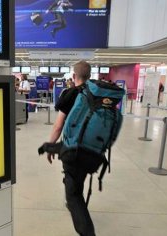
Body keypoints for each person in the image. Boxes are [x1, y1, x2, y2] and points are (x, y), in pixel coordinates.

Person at [46, 61, 103, 236]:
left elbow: (58, 126)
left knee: (74, 197)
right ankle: (72, 193)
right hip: (93, 150)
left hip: (73, 151)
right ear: (89, 76)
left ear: (73, 76)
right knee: (78, 179)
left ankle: (86, 230)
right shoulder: (97, 94)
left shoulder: (70, 94)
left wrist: (50, 146)